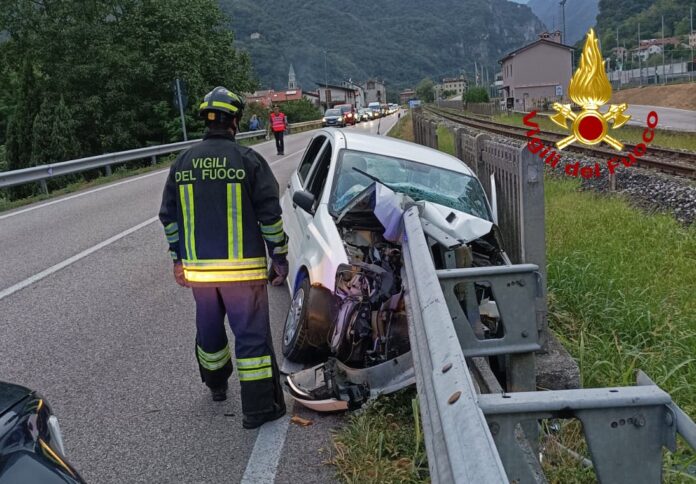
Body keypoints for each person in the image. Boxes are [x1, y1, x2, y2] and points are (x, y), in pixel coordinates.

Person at [159, 86, 289, 429]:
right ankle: (259, 409)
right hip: (243, 275)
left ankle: (216, 386)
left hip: (200, 274)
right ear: (234, 121)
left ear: (206, 120)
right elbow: (270, 217)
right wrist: (279, 256)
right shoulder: (248, 161)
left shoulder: (182, 164)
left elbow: (169, 219)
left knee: (209, 330)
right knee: (250, 337)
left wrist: (177, 259)